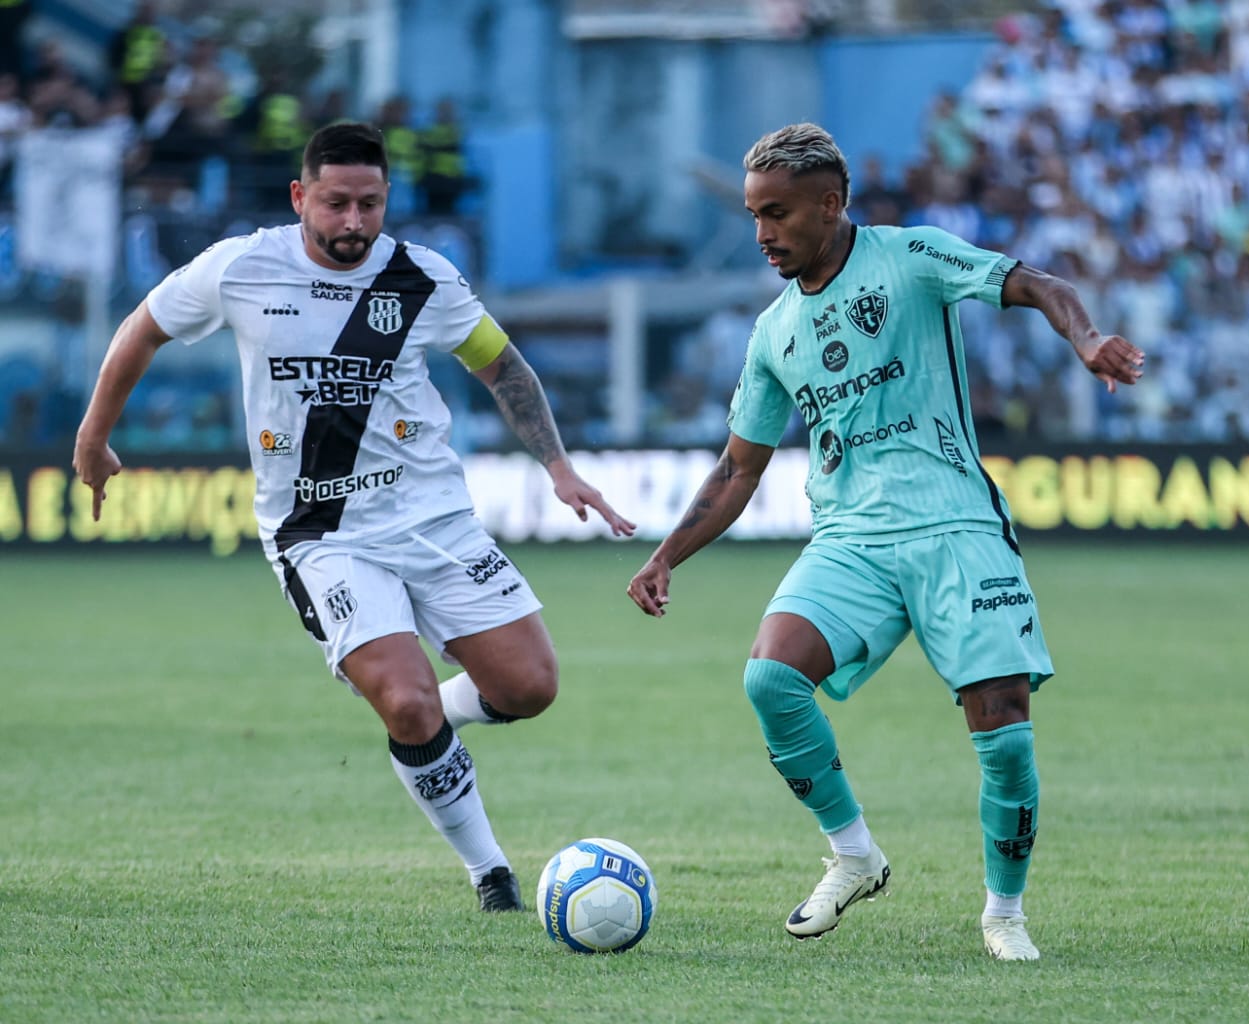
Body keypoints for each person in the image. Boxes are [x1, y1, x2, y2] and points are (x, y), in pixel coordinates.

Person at [74, 121, 635, 912]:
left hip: (434, 520)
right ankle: (491, 873)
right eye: (336, 204)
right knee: (406, 701)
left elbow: (504, 367)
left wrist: (558, 465)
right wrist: (94, 435)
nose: (353, 223)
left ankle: (424, 728)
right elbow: (143, 328)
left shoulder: (422, 278)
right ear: (301, 196)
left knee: (530, 686)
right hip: (321, 535)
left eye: (369, 205)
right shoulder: (240, 267)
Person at [627, 122, 1144, 960]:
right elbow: (736, 470)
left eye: (779, 214)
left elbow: (1037, 282)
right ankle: (854, 854)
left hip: (955, 526)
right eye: (755, 215)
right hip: (851, 538)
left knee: (1004, 731)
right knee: (770, 679)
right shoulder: (772, 334)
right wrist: (664, 556)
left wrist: (1086, 339)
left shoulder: (911, 258)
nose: (762, 233)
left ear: (831, 204)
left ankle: (1003, 914)